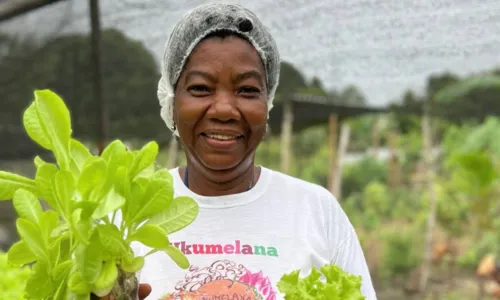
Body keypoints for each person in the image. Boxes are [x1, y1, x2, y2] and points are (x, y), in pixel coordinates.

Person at [129, 3, 376, 300]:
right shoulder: (131, 214)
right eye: (200, 88)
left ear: (267, 104)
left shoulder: (315, 211)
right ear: (172, 100)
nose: (224, 109)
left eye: (247, 90)